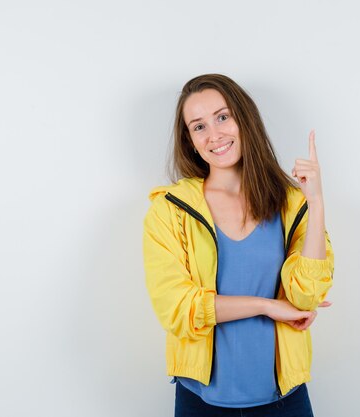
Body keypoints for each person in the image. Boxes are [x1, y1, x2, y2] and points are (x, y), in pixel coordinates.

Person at [142, 74, 334, 417]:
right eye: (198, 126)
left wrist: (316, 204)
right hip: (200, 402)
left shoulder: (291, 204)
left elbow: (305, 297)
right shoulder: (169, 210)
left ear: (243, 119)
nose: (214, 134)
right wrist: (266, 306)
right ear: (189, 140)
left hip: (284, 400)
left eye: (222, 116)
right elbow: (177, 309)